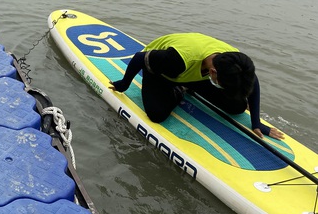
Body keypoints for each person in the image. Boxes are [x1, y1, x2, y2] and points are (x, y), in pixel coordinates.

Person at [109, 33, 284, 139]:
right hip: (161, 71)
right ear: (214, 73)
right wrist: (124, 84)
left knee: (237, 107)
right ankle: (180, 89)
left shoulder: (234, 61)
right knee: (157, 114)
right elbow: (140, 57)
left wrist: (256, 123)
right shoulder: (176, 60)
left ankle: (187, 85)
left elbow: (253, 80)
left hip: (195, 73)